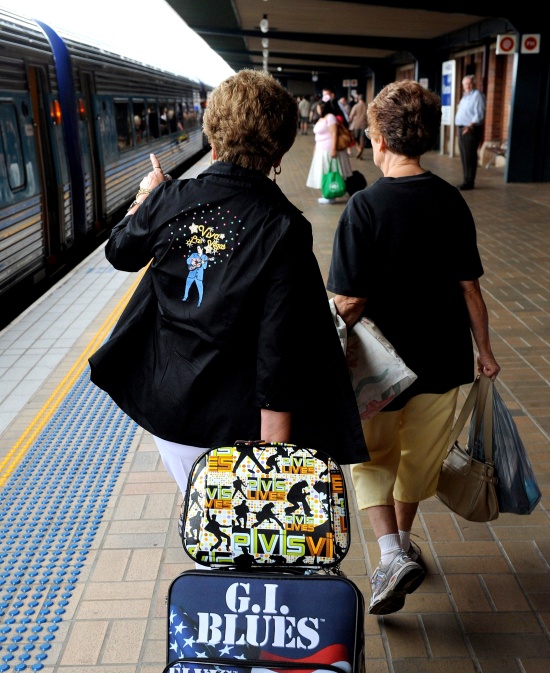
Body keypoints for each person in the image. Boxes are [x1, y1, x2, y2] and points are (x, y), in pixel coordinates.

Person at [88, 70, 368, 520]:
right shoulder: (283, 227)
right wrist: (274, 465)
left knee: (207, 518)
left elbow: (120, 251)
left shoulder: (170, 199)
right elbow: (277, 352)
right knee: (246, 532)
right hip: (239, 426)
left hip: (169, 410)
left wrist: (146, 195)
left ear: (213, 135)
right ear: (278, 149)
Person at [327, 79, 500, 616]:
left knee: (372, 460)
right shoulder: (450, 201)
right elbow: (469, 287)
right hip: (444, 361)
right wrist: (485, 352)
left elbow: (350, 301)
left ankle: (388, 555)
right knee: (418, 462)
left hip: (378, 369)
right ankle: (400, 549)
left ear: (378, 138)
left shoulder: (364, 208)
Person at [306, 99, 352, 204]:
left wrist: (333, 149)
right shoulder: (321, 118)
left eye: (318, 107)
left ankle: (331, 195)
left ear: (322, 107)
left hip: (328, 150)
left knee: (329, 171)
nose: (317, 109)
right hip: (321, 150)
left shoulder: (330, 117)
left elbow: (334, 134)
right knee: (324, 172)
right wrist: (315, 149)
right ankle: (327, 193)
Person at [455, 74, 486, 190]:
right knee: (464, 156)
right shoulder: (466, 96)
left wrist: (470, 126)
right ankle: (466, 180)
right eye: (466, 84)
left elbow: (479, 114)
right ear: (463, 85)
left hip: (470, 129)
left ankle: (469, 182)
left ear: (474, 84)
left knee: (470, 156)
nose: (468, 86)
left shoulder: (477, 95)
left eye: (470, 83)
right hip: (462, 128)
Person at [348, 94, 368, 159]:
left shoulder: (356, 106)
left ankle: (359, 150)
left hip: (356, 125)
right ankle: (360, 151)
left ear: (359, 99)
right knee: (362, 139)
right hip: (364, 125)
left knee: (355, 139)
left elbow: (351, 116)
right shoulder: (367, 106)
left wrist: (349, 123)